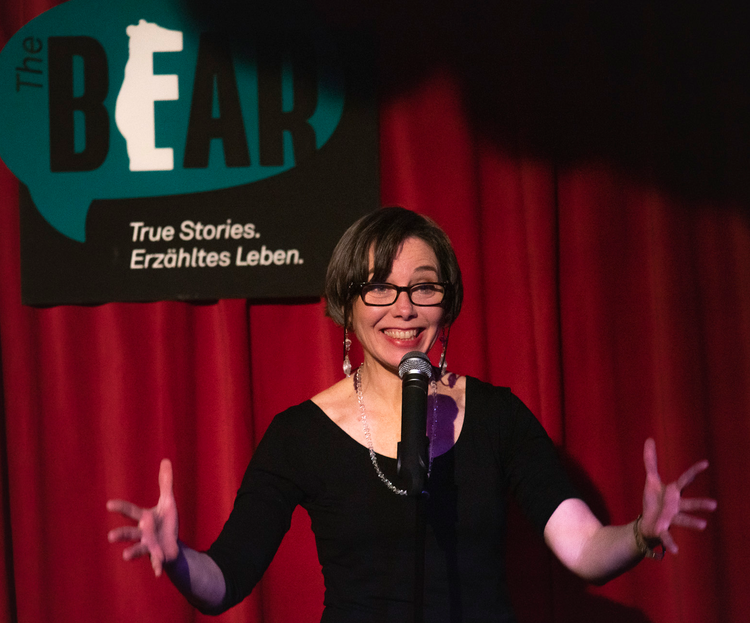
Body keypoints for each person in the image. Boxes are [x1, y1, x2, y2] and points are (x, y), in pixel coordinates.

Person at [107, 207, 717, 622]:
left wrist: (640, 532)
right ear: (347, 304)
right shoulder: (300, 435)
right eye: (379, 287)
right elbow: (225, 580)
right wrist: (177, 557)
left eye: (424, 287)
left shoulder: (496, 416)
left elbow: (582, 547)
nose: (404, 308)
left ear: (445, 304)